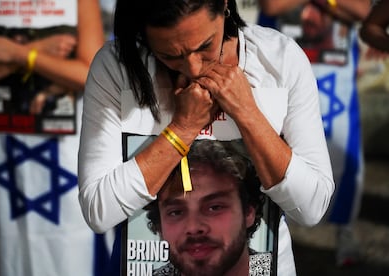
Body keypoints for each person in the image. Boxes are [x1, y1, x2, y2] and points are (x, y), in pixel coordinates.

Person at [78, 0, 335, 275]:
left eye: (204, 46)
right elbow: (98, 210)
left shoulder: (277, 59)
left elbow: (311, 207)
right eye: (170, 55)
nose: (193, 68)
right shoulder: (116, 68)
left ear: (224, 5)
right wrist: (182, 129)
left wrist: (247, 113)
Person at [0, 0, 105, 275]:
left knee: (76, 240)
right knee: (11, 242)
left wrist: (19, 55)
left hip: (69, 144)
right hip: (6, 145)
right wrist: (39, 52)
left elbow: (91, 72)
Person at [258, 0, 370, 267]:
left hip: (335, 72)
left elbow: (363, 11)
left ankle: (344, 231)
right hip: (285, 64)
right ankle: (278, 235)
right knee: (278, 149)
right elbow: (272, 6)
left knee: (344, 154)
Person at [145, 139, 271, 276]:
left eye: (215, 207)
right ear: (159, 226)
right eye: (176, 212)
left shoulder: (274, 269)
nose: (193, 228)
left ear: (248, 212)